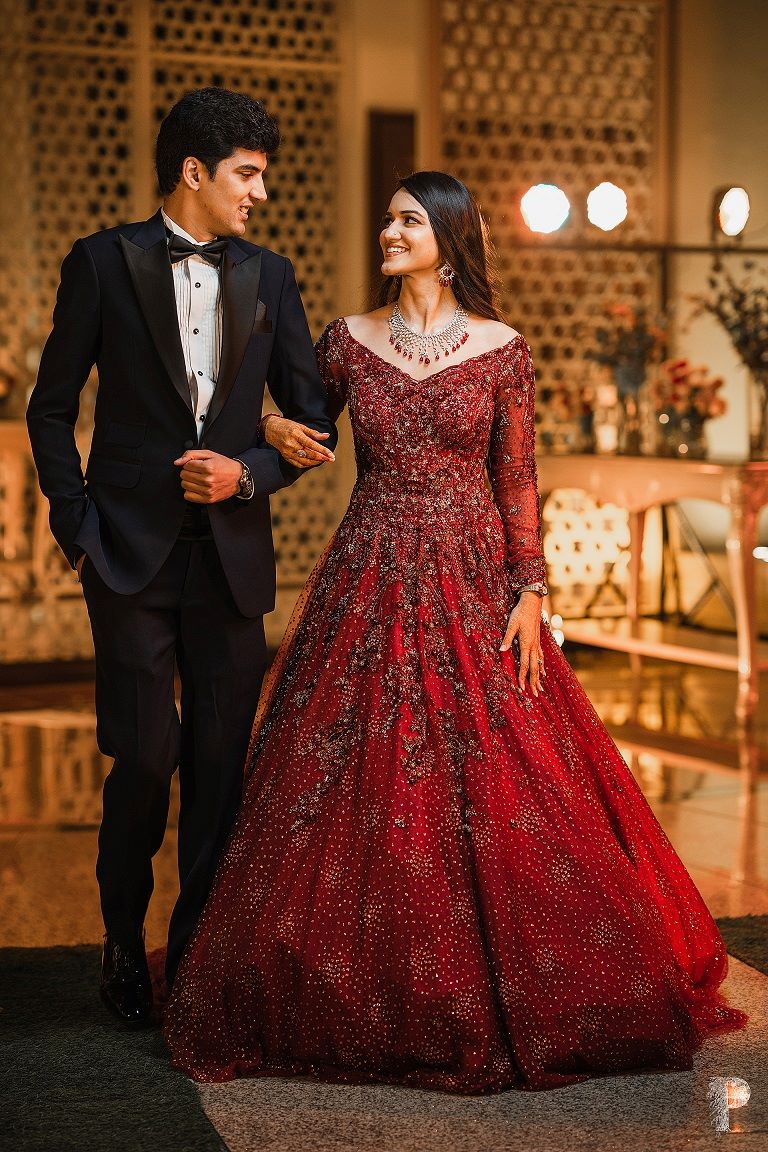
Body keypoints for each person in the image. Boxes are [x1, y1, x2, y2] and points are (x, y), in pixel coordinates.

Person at [163, 171, 747, 1092]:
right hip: (372, 567)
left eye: (404, 220)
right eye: (387, 218)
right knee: (355, 770)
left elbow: (518, 477)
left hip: (479, 578)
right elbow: (310, 432)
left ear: (445, 232)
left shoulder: (503, 348)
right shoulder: (348, 341)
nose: (388, 232)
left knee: (506, 761)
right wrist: (273, 425)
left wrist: (530, 591)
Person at [26, 87, 337, 1026]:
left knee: (218, 763)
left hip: (234, 562)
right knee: (145, 758)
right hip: (127, 556)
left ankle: (194, 951)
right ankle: (122, 943)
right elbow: (51, 406)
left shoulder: (272, 277)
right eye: (248, 175)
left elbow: (314, 416)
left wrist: (246, 474)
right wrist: (77, 526)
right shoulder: (102, 262)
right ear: (194, 173)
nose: (261, 194)